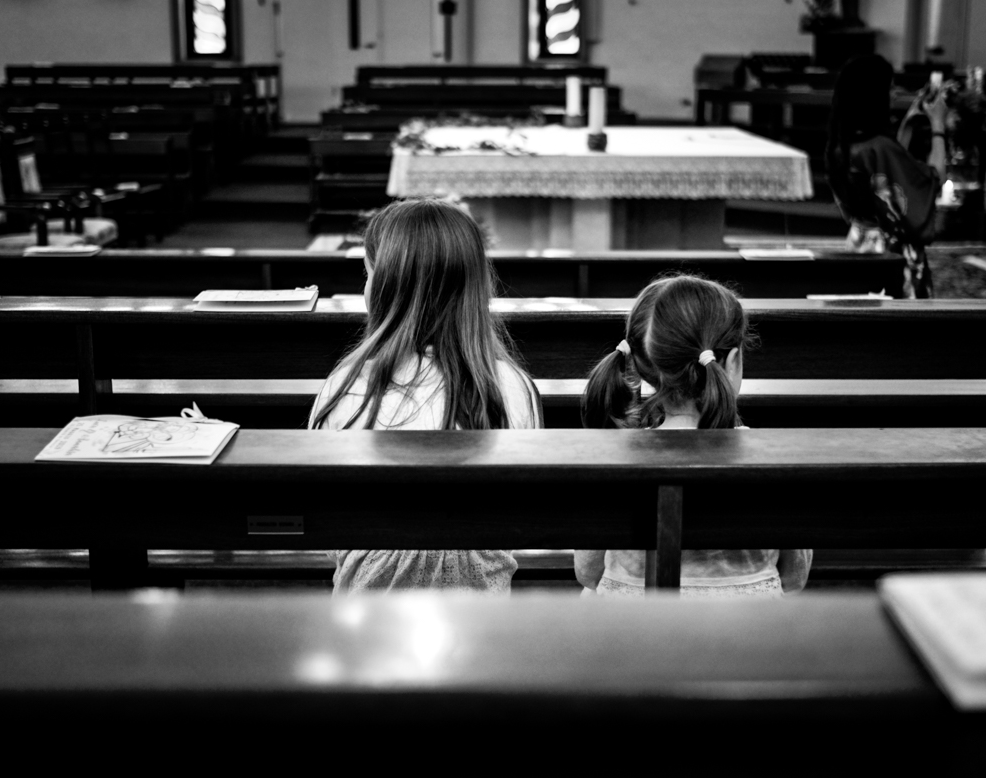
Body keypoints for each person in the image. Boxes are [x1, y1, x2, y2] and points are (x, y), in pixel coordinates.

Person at [309, 198, 542, 594]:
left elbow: (324, 511)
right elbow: (522, 508)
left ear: (384, 287)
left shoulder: (347, 385)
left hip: (370, 595)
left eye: (366, 274)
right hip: (479, 596)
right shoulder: (511, 386)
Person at [575, 274, 812, 597]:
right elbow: (794, 578)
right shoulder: (775, 459)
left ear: (640, 365)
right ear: (732, 362)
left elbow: (588, 572)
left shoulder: (612, 456)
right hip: (748, 632)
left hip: (630, 630)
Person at [825, 54, 947, 298]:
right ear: (872, 95)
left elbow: (890, 173)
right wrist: (938, 125)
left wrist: (910, 122)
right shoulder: (880, 147)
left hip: (859, 242)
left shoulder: (842, 145)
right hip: (890, 255)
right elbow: (934, 178)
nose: (894, 94)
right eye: (889, 88)